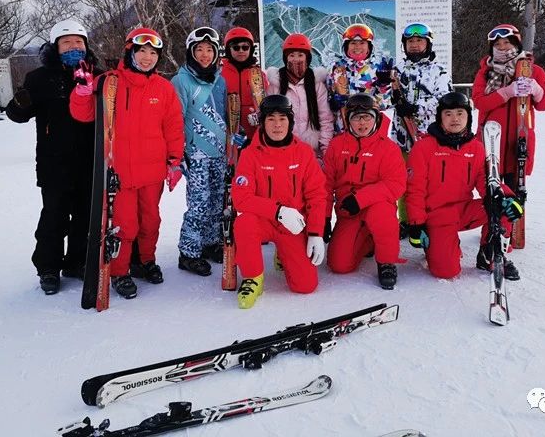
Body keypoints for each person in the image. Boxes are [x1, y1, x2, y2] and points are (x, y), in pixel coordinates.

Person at [70, 26, 184, 299]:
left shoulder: (164, 88)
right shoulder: (109, 83)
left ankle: (146, 261)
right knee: (124, 224)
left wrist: (174, 161)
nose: (147, 58)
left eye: (153, 53)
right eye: (142, 51)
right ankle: (120, 271)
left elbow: (174, 127)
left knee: (151, 221)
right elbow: (84, 116)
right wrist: (83, 91)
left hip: (153, 170)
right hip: (119, 172)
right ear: (130, 51)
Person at [5, 18, 99, 295]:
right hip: (54, 161)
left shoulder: (99, 75)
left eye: (78, 42)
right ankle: (48, 267)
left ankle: (77, 262)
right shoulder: (40, 78)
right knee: (54, 216)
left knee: (85, 216)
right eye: (67, 42)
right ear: (55, 47)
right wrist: (19, 103)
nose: (73, 47)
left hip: (90, 161)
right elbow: (17, 115)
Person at [405, 91, 523, 280]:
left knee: (501, 202)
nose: (455, 119)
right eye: (448, 114)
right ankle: (440, 245)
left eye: (460, 113)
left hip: (464, 210)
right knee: (446, 272)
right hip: (437, 215)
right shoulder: (424, 148)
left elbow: (485, 182)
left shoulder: (475, 147)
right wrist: (417, 224)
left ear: (468, 117)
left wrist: (506, 198)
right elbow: (415, 190)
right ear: (440, 118)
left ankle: (490, 253)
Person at [231, 94, 327, 309]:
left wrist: (315, 233)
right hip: (264, 220)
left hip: (292, 226)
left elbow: (317, 195)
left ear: (290, 122)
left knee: (305, 285)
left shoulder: (303, 153)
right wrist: (279, 212)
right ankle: (253, 277)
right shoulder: (250, 154)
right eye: (271, 119)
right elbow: (241, 197)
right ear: (263, 123)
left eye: (282, 119)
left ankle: (283, 254)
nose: (277, 125)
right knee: (244, 221)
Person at [323, 94, 407, 289]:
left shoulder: (388, 148)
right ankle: (368, 240)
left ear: (375, 118)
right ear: (347, 120)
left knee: (382, 214)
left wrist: (360, 199)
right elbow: (325, 184)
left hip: (376, 206)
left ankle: (386, 261)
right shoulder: (337, 145)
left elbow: (395, 184)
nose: (362, 123)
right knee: (339, 265)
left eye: (367, 117)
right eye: (356, 117)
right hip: (348, 211)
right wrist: (324, 218)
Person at [171, 27, 228, 276]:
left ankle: (210, 243)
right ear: (191, 52)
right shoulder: (181, 80)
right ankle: (189, 252)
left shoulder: (220, 79)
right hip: (195, 154)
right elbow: (175, 119)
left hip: (219, 152)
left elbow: (225, 113)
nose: (205, 55)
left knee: (217, 201)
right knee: (199, 204)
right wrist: (180, 151)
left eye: (209, 50)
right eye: (200, 50)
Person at [471, 24, 545, 195]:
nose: (502, 47)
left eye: (506, 42)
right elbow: (479, 102)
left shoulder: (534, 71)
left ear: (516, 44)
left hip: (518, 141)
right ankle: (494, 221)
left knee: (515, 195)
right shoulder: (485, 72)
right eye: (497, 44)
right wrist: (507, 92)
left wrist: (536, 89)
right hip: (491, 141)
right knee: (491, 195)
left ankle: (512, 221)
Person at [390, 22, 452, 246]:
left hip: (428, 137)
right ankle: (406, 220)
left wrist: (416, 108)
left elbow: (443, 100)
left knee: (427, 181)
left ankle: (430, 218)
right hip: (401, 136)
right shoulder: (398, 70)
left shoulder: (439, 71)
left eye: (419, 41)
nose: (415, 45)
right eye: (410, 42)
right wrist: (394, 98)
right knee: (403, 180)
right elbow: (388, 95)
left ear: (428, 43)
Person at [266, 33, 333, 161]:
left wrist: (326, 149)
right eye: (291, 55)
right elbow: (269, 119)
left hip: (313, 152)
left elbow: (325, 119)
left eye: (300, 55)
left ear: (308, 58)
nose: (296, 59)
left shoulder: (316, 84)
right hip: (284, 150)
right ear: (285, 58)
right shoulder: (276, 85)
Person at [326, 23, 394, 134]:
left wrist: (383, 86)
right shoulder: (337, 68)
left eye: (362, 43)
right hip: (343, 127)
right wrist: (334, 101)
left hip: (369, 125)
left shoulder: (377, 67)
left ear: (369, 46)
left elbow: (383, 105)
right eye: (353, 43)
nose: (357, 47)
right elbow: (329, 97)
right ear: (346, 46)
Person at [220, 27, 268, 141]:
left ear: (251, 49)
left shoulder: (258, 75)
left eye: (245, 47)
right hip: (227, 137)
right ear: (228, 50)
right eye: (236, 47)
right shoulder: (219, 74)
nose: (241, 51)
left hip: (255, 136)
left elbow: (267, 104)